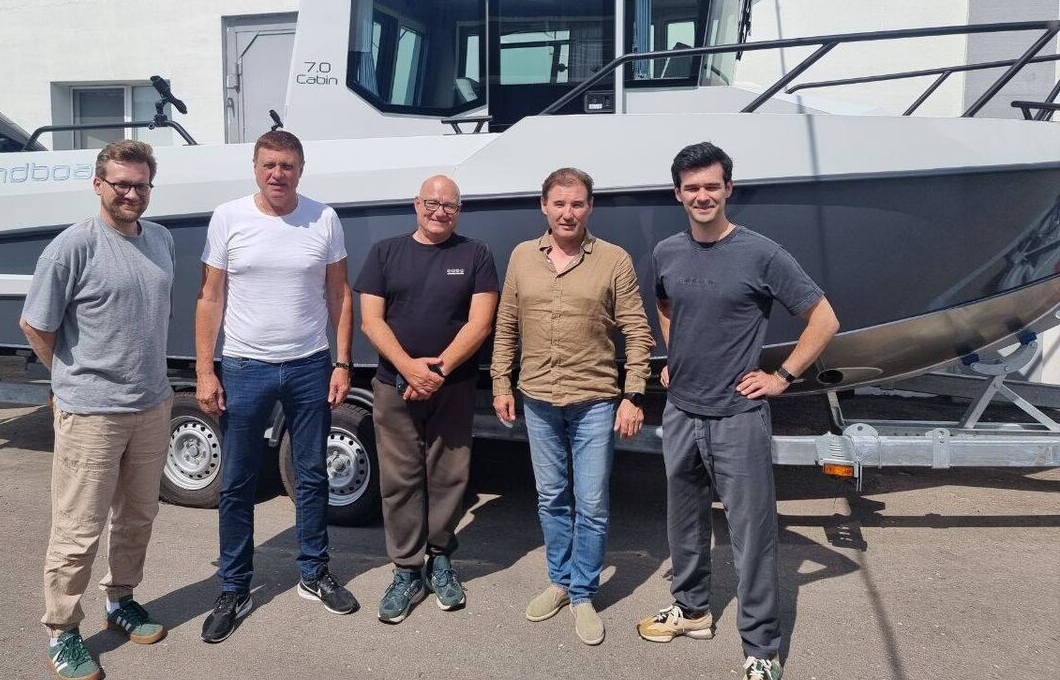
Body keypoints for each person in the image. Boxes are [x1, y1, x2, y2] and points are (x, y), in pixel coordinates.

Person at [637, 142, 840, 680]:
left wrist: (782, 377)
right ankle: (692, 611)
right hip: (682, 411)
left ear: (728, 188)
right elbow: (664, 304)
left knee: (751, 536)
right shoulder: (666, 252)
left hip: (738, 415)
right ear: (677, 193)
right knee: (683, 522)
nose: (702, 196)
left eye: (712, 186)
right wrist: (675, 356)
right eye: (692, 188)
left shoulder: (762, 254)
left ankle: (761, 648)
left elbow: (824, 319)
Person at [195, 129, 358, 644]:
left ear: (300, 169)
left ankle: (313, 572)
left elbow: (340, 295)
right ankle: (234, 588)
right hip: (245, 366)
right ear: (255, 167)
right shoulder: (228, 217)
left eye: (287, 165)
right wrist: (205, 369)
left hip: (310, 365)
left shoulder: (324, 219)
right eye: (269, 164)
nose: (277, 174)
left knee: (311, 475)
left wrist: (343, 363)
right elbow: (210, 297)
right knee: (237, 481)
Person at [20, 140, 174, 680]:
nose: (131, 193)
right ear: (98, 184)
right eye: (121, 184)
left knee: (138, 516)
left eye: (141, 185)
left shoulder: (161, 239)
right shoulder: (72, 248)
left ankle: (120, 600)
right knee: (78, 529)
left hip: (152, 405)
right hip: (92, 414)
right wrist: (67, 378)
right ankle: (62, 630)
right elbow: (35, 324)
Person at [490, 167, 654, 646]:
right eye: (559, 203)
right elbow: (506, 324)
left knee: (593, 502)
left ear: (590, 207)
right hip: (538, 398)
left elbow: (637, 331)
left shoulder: (614, 259)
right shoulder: (522, 256)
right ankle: (559, 582)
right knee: (551, 497)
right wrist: (501, 382)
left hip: (594, 401)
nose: (568, 213)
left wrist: (633, 394)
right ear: (544, 206)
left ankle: (583, 593)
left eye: (577, 203)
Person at [355, 175, 499, 624]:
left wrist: (437, 372)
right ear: (416, 204)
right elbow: (371, 321)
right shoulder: (385, 252)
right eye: (432, 203)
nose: (440, 212)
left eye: (449, 206)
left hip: (452, 386)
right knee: (400, 478)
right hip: (394, 384)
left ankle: (440, 558)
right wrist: (409, 368)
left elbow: (480, 323)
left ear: (459, 210)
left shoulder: (475, 254)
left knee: (449, 476)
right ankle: (406, 570)